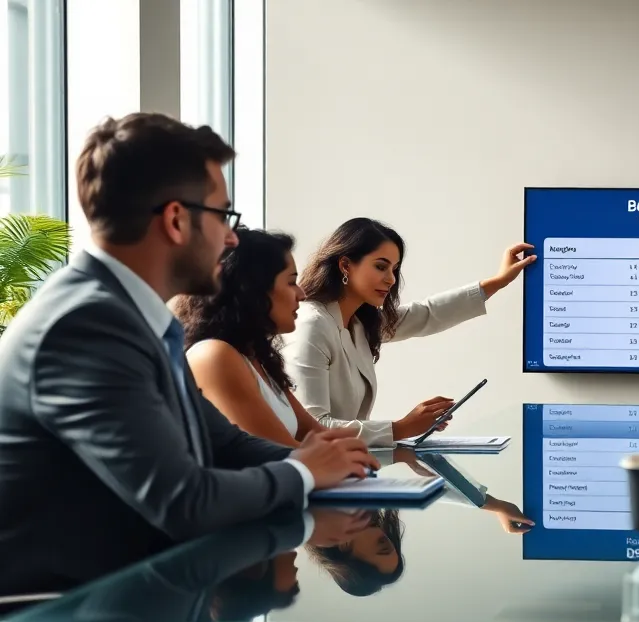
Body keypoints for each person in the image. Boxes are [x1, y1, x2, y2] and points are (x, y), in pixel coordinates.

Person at [0, 112, 378, 595]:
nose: (232, 237)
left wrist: (322, 456)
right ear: (177, 220)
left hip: (135, 603)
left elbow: (224, 442)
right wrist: (303, 470)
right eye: (224, 216)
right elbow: (182, 500)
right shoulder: (85, 326)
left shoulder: (129, 315)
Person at [283, 217, 535, 447]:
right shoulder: (311, 325)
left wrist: (498, 281)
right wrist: (401, 428)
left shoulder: (359, 322)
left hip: (342, 465)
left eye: (394, 269)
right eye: (381, 267)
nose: (391, 279)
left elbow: (426, 313)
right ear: (346, 265)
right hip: (306, 473)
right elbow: (310, 427)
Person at [175, 227, 326, 446]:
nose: (302, 294)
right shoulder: (215, 355)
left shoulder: (260, 357)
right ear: (254, 289)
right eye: (291, 282)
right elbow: (285, 453)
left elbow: (315, 435)